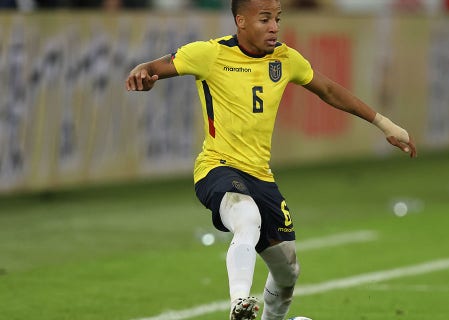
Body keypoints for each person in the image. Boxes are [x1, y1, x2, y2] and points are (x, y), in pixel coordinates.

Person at [125, 0, 417, 319]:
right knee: (247, 217)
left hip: (261, 177)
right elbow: (153, 68)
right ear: (241, 22)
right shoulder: (210, 54)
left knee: (288, 271)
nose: (275, 26)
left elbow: (329, 90)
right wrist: (143, 73)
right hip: (217, 167)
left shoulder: (284, 58)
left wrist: (385, 124)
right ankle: (239, 302)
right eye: (265, 19)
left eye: (277, 18)